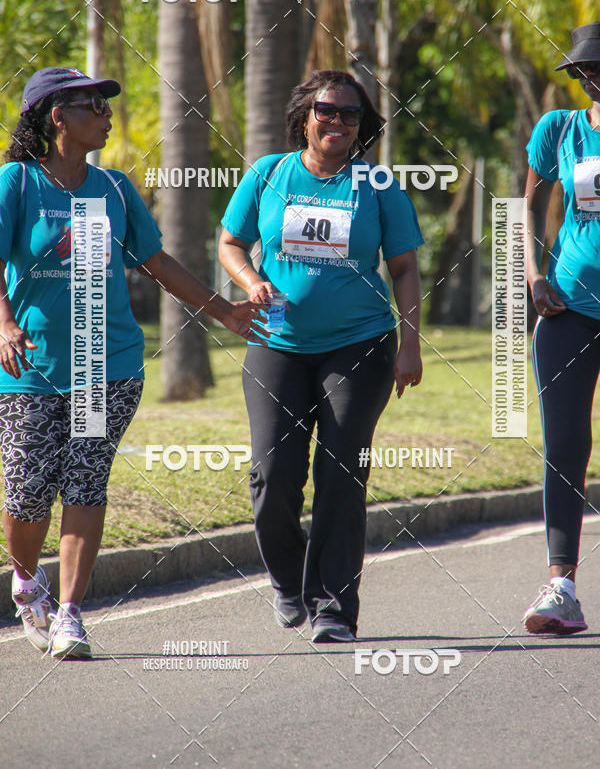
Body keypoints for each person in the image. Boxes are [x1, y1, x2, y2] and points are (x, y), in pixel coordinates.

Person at [0, 66, 266, 659]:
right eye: (92, 105)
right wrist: (4, 323)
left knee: (87, 480)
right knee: (25, 495)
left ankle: (70, 613)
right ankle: (25, 582)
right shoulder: (16, 183)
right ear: (56, 116)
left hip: (106, 362)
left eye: (106, 104)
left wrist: (224, 312)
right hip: (31, 364)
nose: (106, 114)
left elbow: (158, 264)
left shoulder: (115, 189)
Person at [218, 69, 423, 642]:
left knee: (342, 473)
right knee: (271, 473)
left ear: (363, 126)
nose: (338, 121)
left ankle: (333, 607)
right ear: (305, 116)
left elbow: (404, 266)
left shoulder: (377, 183)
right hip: (276, 340)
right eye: (327, 110)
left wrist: (409, 343)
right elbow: (230, 242)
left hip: (360, 345)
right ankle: (288, 579)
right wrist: (249, 279)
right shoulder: (269, 174)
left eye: (351, 114)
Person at [523, 21, 600, 634]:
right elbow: (528, 203)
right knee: (565, 444)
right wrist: (531, 270)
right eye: (586, 72)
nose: (593, 79)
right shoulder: (562, 129)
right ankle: (561, 588)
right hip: (568, 308)